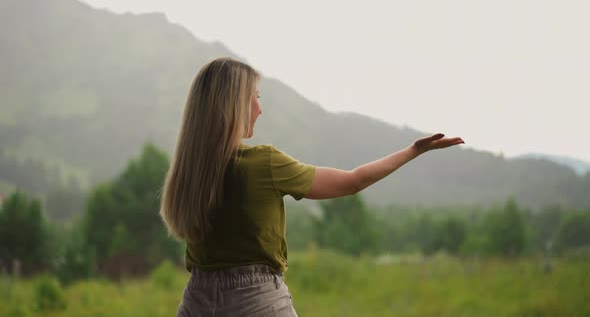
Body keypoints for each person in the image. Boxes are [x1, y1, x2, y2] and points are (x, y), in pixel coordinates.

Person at [159, 57, 464, 316]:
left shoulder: (187, 172)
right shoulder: (263, 163)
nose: (259, 108)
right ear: (234, 104)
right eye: (256, 96)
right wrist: (413, 151)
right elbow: (353, 181)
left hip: (195, 301)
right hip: (255, 301)